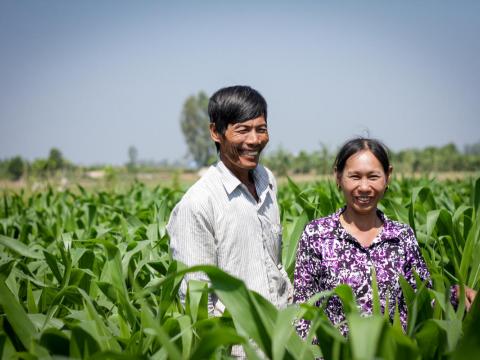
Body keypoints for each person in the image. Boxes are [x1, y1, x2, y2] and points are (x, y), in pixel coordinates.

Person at [293, 137, 477, 338]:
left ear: (388, 176)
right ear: (338, 177)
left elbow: (422, 299)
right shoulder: (317, 234)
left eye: (373, 177)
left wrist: (455, 295)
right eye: (354, 176)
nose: (364, 187)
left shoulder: (401, 237)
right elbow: (304, 310)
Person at [167, 85, 292, 317]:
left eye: (261, 129)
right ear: (216, 132)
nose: (254, 140)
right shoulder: (198, 203)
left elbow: (274, 263)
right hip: (239, 347)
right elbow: (196, 299)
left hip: (282, 335)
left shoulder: (267, 180)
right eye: (242, 130)